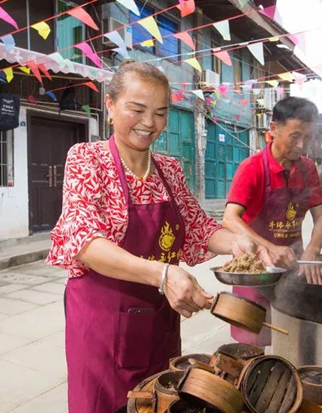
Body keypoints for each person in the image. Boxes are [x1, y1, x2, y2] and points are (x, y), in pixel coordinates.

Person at [45, 61, 272, 413]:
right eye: (137, 109)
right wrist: (163, 274)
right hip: (102, 324)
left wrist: (239, 243)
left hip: (158, 321)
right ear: (110, 105)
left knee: (160, 401)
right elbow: (86, 242)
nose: (149, 123)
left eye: (161, 113)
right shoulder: (87, 159)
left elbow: (198, 227)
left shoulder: (169, 169)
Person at [222, 96, 322, 348]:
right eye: (295, 136)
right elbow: (230, 218)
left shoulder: (307, 169)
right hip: (255, 270)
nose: (302, 145)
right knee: (252, 344)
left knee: (292, 339)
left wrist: (313, 249)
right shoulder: (252, 168)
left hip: (293, 267)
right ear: (273, 129)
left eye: (307, 137)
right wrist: (269, 248)